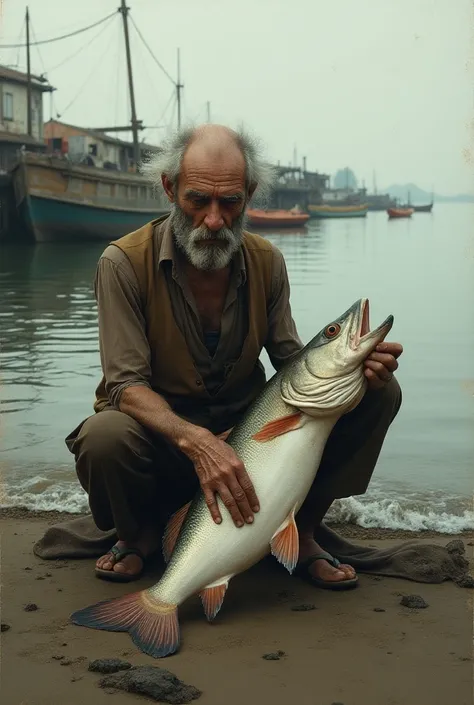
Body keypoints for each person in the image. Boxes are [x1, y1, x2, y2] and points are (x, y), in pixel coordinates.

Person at [65, 124, 402, 588]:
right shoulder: (121, 264)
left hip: (250, 447)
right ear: (170, 189)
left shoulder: (267, 261)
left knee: (378, 394)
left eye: (230, 202)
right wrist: (200, 443)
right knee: (103, 436)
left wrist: (357, 372)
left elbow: (290, 361)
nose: (215, 220)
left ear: (250, 193)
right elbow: (125, 386)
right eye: (197, 200)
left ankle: (300, 531)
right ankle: (139, 534)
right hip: (161, 445)